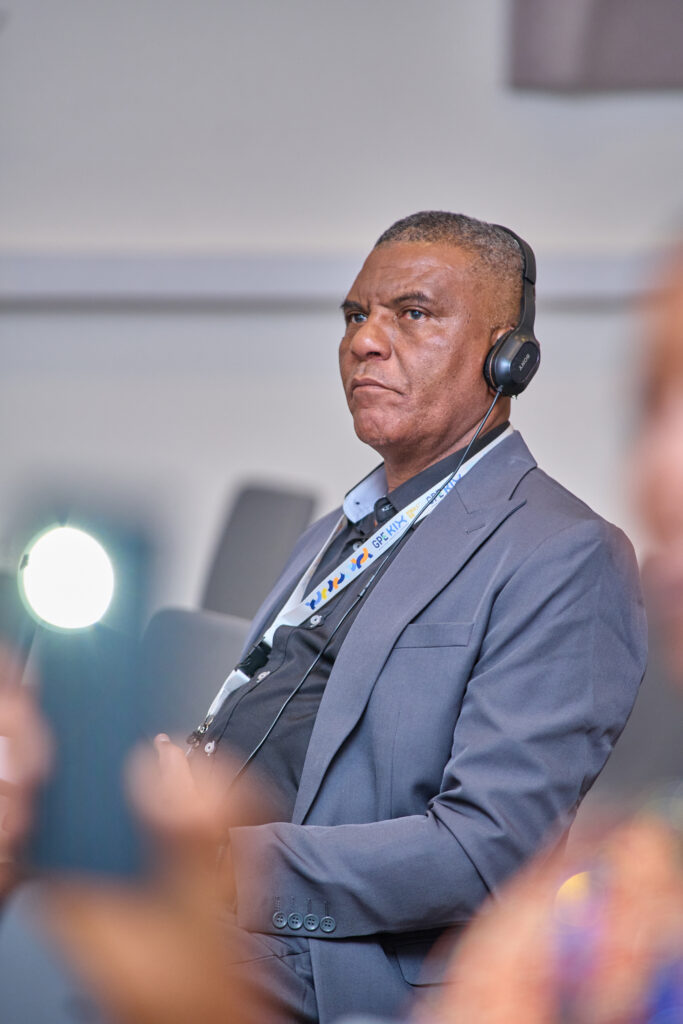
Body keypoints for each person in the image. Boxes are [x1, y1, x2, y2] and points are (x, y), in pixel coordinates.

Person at [0, 211, 647, 1023]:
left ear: (506, 357)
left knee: (41, 953)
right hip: (204, 900)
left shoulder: (564, 552)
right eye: (353, 316)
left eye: (412, 313)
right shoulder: (335, 532)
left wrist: (224, 863)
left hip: (330, 960)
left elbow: (488, 850)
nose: (364, 342)